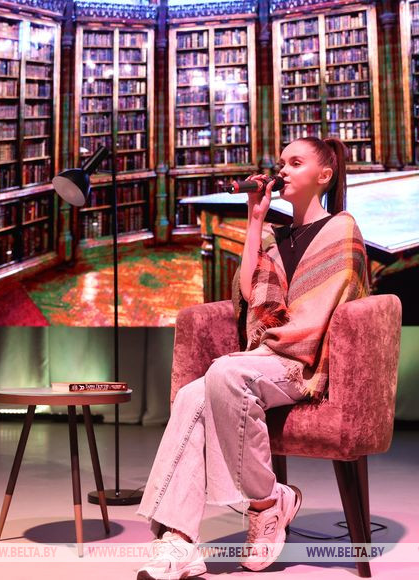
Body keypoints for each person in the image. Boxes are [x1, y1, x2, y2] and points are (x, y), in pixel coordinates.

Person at [135, 137, 371, 580]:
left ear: (324, 175)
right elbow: (249, 293)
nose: (283, 170)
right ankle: (180, 541)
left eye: (295, 163)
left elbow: (325, 309)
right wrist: (255, 218)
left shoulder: (341, 228)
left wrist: (280, 344)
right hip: (266, 358)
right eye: (281, 162)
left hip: (303, 363)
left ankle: (265, 504)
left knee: (227, 371)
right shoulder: (276, 236)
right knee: (191, 396)